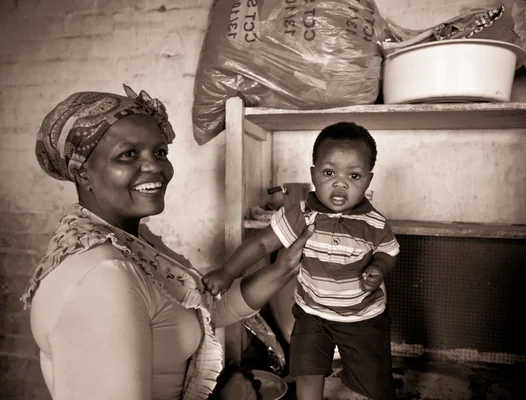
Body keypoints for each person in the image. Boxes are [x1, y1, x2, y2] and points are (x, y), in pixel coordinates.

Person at [20, 85, 314, 400]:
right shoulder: (102, 277)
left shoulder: (132, 243)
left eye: (159, 152)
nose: (155, 167)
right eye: (128, 154)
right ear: (83, 173)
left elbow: (205, 308)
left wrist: (283, 268)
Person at [202, 121, 400, 399]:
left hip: (363, 317)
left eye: (354, 176)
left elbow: (388, 252)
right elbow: (261, 243)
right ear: (313, 175)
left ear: (368, 179)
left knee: (375, 384)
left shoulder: (375, 223)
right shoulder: (300, 215)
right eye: (329, 172)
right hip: (312, 313)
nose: (340, 183)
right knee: (307, 373)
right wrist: (227, 271)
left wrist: (379, 267)